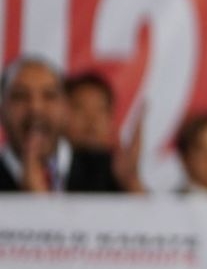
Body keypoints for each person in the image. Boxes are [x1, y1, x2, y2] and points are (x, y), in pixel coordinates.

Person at [0, 54, 139, 193]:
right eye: (20, 96)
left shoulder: (107, 170)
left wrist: (131, 183)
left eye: (49, 95)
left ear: (65, 108)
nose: (36, 108)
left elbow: (150, 214)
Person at [63, 69, 116, 152]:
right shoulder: (46, 163)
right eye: (81, 109)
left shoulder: (121, 164)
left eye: (100, 110)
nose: (91, 120)